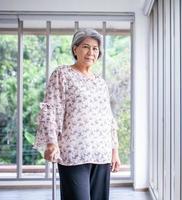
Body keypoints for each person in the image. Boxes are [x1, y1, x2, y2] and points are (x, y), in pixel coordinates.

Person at [34, 28, 121, 200]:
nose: (91, 52)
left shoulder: (100, 83)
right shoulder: (62, 74)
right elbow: (50, 109)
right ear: (75, 49)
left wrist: (114, 150)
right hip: (73, 152)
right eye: (86, 47)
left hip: (101, 153)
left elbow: (108, 118)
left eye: (95, 48)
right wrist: (51, 143)